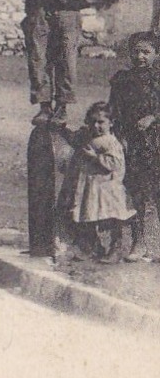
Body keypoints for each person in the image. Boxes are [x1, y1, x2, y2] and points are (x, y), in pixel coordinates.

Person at [106, 32, 160, 261]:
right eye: (136, 51)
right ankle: (139, 243)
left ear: (156, 54)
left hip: (156, 143)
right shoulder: (122, 80)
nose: (140, 57)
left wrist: (153, 117)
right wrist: (119, 136)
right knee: (136, 195)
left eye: (146, 52)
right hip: (132, 144)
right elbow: (113, 111)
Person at [63, 103, 134, 262]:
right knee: (89, 215)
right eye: (93, 121)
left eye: (101, 122)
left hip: (108, 188)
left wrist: (95, 158)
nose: (96, 126)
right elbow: (74, 140)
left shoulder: (111, 141)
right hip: (92, 186)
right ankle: (91, 246)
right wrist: (63, 129)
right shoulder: (89, 137)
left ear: (111, 123)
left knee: (111, 218)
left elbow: (114, 163)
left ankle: (117, 249)